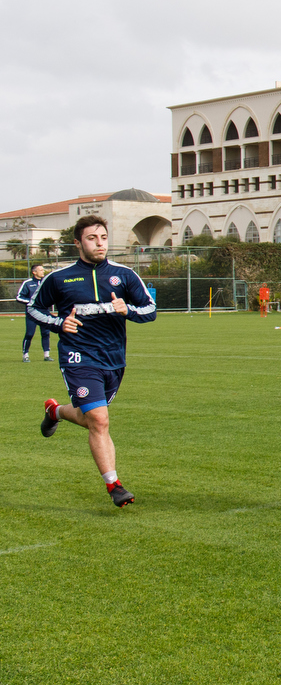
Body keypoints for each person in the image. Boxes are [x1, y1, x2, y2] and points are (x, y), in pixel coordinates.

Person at [30, 215, 156, 507]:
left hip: (113, 359)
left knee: (90, 419)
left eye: (103, 237)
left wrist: (128, 310)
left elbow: (150, 309)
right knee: (100, 420)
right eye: (91, 238)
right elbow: (34, 309)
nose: (99, 243)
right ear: (77, 243)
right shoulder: (59, 278)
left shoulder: (124, 275)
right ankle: (114, 486)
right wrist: (60, 323)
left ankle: (56, 412)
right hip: (78, 356)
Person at [18, 263, 51, 362]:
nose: (43, 271)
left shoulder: (46, 282)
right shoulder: (27, 283)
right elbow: (19, 297)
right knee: (29, 333)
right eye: (41, 270)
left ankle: (46, 355)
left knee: (46, 333)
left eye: (43, 270)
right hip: (31, 313)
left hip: (44, 312)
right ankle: (25, 354)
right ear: (34, 272)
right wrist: (31, 302)